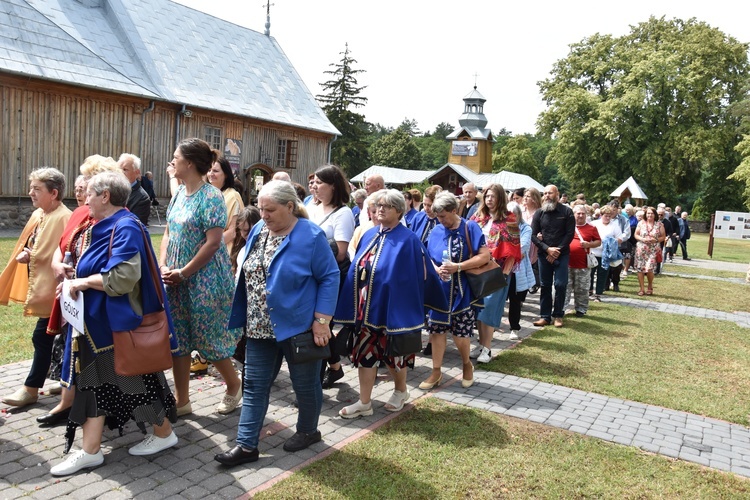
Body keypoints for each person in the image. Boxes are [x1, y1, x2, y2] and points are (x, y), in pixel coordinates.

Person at [50, 171, 178, 476]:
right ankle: (91, 450)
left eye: (90, 194)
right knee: (95, 384)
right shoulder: (104, 224)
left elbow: (121, 278)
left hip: (114, 327)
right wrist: (73, 280)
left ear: (106, 196)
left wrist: (82, 283)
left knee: (131, 383)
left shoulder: (125, 226)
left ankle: (162, 434)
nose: (84, 199)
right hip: (97, 326)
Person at [215, 180, 339, 466]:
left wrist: (322, 321)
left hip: (298, 327)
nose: (264, 215)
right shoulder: (260, 229)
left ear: (290, 206)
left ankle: (308, 431)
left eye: (270, 209)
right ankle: (246, 446)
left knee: (305, 385)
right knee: (254, 385)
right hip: (259, 327)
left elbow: (330, 277)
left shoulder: (310, 235)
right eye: (261, 208)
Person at [336, 189, 445, 418]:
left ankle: (400, 391)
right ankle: (364, 402)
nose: (380, 209)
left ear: (399, 210)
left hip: (393, 310)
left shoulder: (408, 239)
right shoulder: (370, 234)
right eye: (378, 205)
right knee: (365, 352)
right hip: (366, 309)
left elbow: (417, 276)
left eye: (386, 206)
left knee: (395, 354)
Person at [159, 138, 242, 416]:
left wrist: (184, 272)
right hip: (175, 278)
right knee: (178, 339)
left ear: (190, 163)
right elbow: (168, 233)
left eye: (175, 158)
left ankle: (233, 385)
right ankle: (182, 401)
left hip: (205, 280)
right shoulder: (179, 194)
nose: (172, 162)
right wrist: (163, 265)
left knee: (210, 340)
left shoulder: (211, 196)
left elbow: (213, 242)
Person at [45, 155, 122, 426]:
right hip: (74, 295)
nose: (83, 188)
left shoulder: (117, 220)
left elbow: (120, 271)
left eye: (88, 183)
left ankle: (103, 415)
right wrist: (57, 265)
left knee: (100, 358)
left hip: (97, 298)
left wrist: (83, 281)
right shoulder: (80, 212)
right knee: (73, 352)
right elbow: (62, 246)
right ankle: (72, 405)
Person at [0, 168, 72, 409]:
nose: (30, 192)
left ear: (53, 193)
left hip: (60, 290)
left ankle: (31, 389)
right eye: (31, 188)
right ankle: (64, 381)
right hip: (48, 289)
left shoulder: (64, 217)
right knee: (53, 339)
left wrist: (32, 255)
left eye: (36, 189)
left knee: (42, 338)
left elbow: (66, 253)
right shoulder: (40, 213)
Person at [420, 192, 490, 390]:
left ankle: (467, 365)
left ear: (454, 210)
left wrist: (458, 267)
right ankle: (436, 371)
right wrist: (435, 269)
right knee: (437, 331)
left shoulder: (470, 227)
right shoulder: (436, 230)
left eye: (443, 216)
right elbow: (427, 256)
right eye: (438, 217)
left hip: (462, 292)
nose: (440, 220)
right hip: (439, 291)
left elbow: (485, 256)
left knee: (461, 335)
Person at [309, 165, 355, 389]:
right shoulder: (312, 207)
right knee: (315, 328)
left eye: (319, 182)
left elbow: (340, 253)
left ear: (333, 186)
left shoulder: (343, 213)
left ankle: (314, 384)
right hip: (309, 277)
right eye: (314, 182)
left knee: (320, 326)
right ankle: (335, 367)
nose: (314, 186)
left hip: (328, 280)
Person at [469, 184, 520, 363]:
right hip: (476, 269)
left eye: (493, 196)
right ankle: (481, 345)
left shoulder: (509, 219)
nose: (489, 199)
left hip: (497, 270)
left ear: (500, 198)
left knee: (489, 310)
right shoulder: (478, 217)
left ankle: (488, 349)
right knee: (478, 309)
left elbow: (514, 249)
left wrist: (504, 274)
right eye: (487, 196)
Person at [531, 185, 575, 328]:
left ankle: (558, 315)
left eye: (550, 193)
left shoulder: (567, 211)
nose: (547, 195)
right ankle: (545, 316)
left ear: (557, 194)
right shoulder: (539, 213)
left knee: (561, 284)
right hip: (544, 254)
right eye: (545, 193)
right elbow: (533, 235)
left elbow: (569, 234)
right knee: (545, 285)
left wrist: (557, 251)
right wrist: (547, 249)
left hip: (562, 254)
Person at [505, 202, 536, 338]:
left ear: (519, 215)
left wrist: (504, 252)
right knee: (497, 299)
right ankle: (490, 327)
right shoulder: (500, 226)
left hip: (517, 270)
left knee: (515, 299)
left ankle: (514, 328)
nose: (510, 217)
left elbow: (522, 249)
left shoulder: (526, 228)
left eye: (513, 214)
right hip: (501, 268)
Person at [565, 204, 601, 316]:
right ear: (573, 214)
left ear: (586, 215)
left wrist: (589, 244)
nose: (580, 215)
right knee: (565, 288)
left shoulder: (592, 228)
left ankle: (581, 309)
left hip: (583, 265)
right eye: (578, 213)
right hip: (566, 264)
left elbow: (598, 241)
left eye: (583, 213)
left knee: (582, 288)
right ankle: (561, 308)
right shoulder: (567, 226)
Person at [590, 205, 625, 300]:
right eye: (606, 216)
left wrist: (611, 241)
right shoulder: (594, 224)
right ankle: (589, 291)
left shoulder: (614, 226)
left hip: (606, 254)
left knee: (603, 274)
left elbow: (620, 239)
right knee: (590, 273)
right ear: (601, 215)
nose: (608, 218)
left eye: (609, 216)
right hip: (593, 252)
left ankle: (598, 293)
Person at [633, 206, 666, 296]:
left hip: (653, 249)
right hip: (641, 249)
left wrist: (656, 240)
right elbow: (636, 234)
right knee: (640, 269)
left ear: (655, 215)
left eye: (651, 213)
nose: (649, 215)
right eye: (648, 213)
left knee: (649, 269)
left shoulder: (659, 225)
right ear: (645, 214)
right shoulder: (641, 223)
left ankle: (650, 285)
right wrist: (643, 239)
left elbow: (663, 236)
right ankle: (641, 289)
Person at [117, 153, 151, 226]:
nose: (121, 172)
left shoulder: (142, 198)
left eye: (125, 169)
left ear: (137, 172)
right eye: (119, 169)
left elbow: (135, 227)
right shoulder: (111, 190)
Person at [522, 187, 542, 294]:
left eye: (528, 196)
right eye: (524, 196)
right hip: (521, 244)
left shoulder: (540, 213)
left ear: (534, 198)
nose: (525, 198)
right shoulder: (521, 211)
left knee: (529, 268)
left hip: (534, 245)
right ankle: (520, 295)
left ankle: (531, 286)